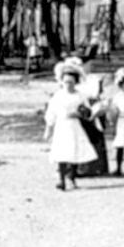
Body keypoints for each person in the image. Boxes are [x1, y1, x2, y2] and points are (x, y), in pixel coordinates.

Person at [45, 60, 99, 190]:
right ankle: (61, 179)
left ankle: (72, 177)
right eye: (65, 82)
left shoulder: (80, 95)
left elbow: (87, 111)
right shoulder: (58, 96)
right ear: (61, 82)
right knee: (61, 151)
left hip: (74, 126)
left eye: (71, 82)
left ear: (76, 82)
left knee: (74, 150)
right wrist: (49, 128)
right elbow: (51, 112)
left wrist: (80, 114)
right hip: (61, 126)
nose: (68, 85)